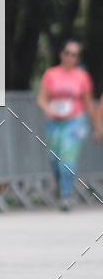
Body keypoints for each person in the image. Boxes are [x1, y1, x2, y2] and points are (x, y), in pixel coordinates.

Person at [36, 38, 98, 211]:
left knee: (67, 159)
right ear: (61, 54)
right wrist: (47, 109)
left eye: (75, 55)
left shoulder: (82, 77)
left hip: (75, 122)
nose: (71, 57)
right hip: (55, 123)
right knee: (54, 160)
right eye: (68, 53)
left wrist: (97, 127)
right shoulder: (51, 74)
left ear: (78, 58)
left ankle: (66, 195)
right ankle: (61, 185)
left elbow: (88, 103)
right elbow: (41, 98)